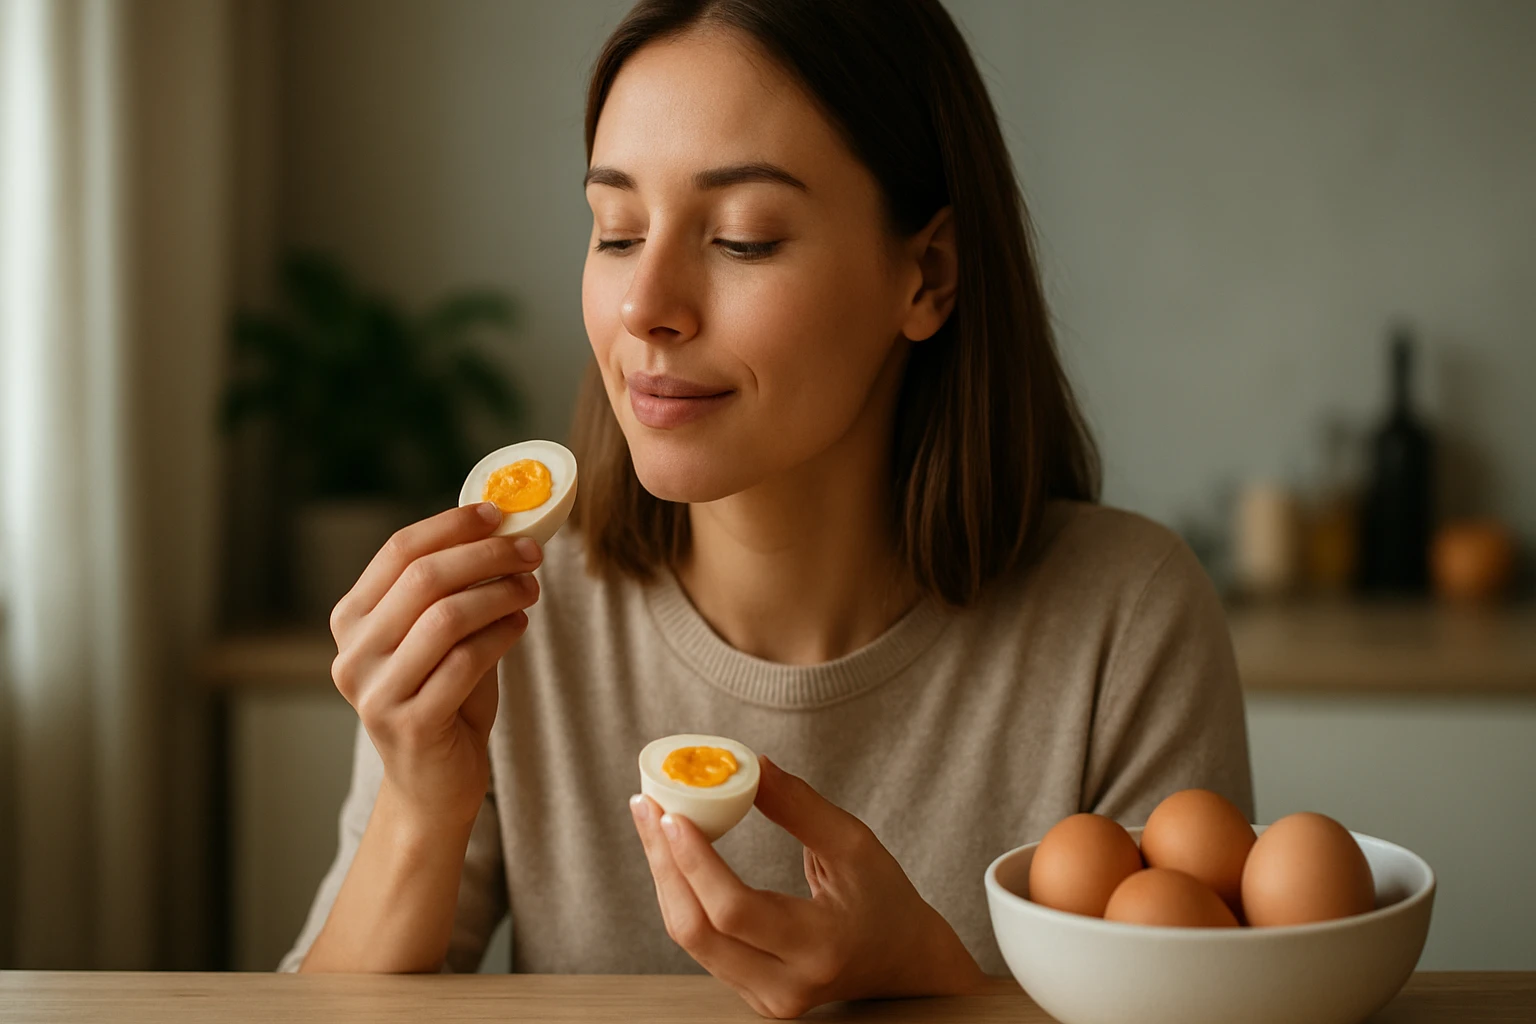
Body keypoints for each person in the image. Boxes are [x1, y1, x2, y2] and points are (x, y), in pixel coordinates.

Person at [282, 0, 1252, 1017]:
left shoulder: (1124, 621)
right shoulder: (512, 618)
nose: (644, 305)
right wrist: (419, 801)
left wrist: (936, 991)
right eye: (616, 232)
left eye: (741, 239)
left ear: (927, 275)